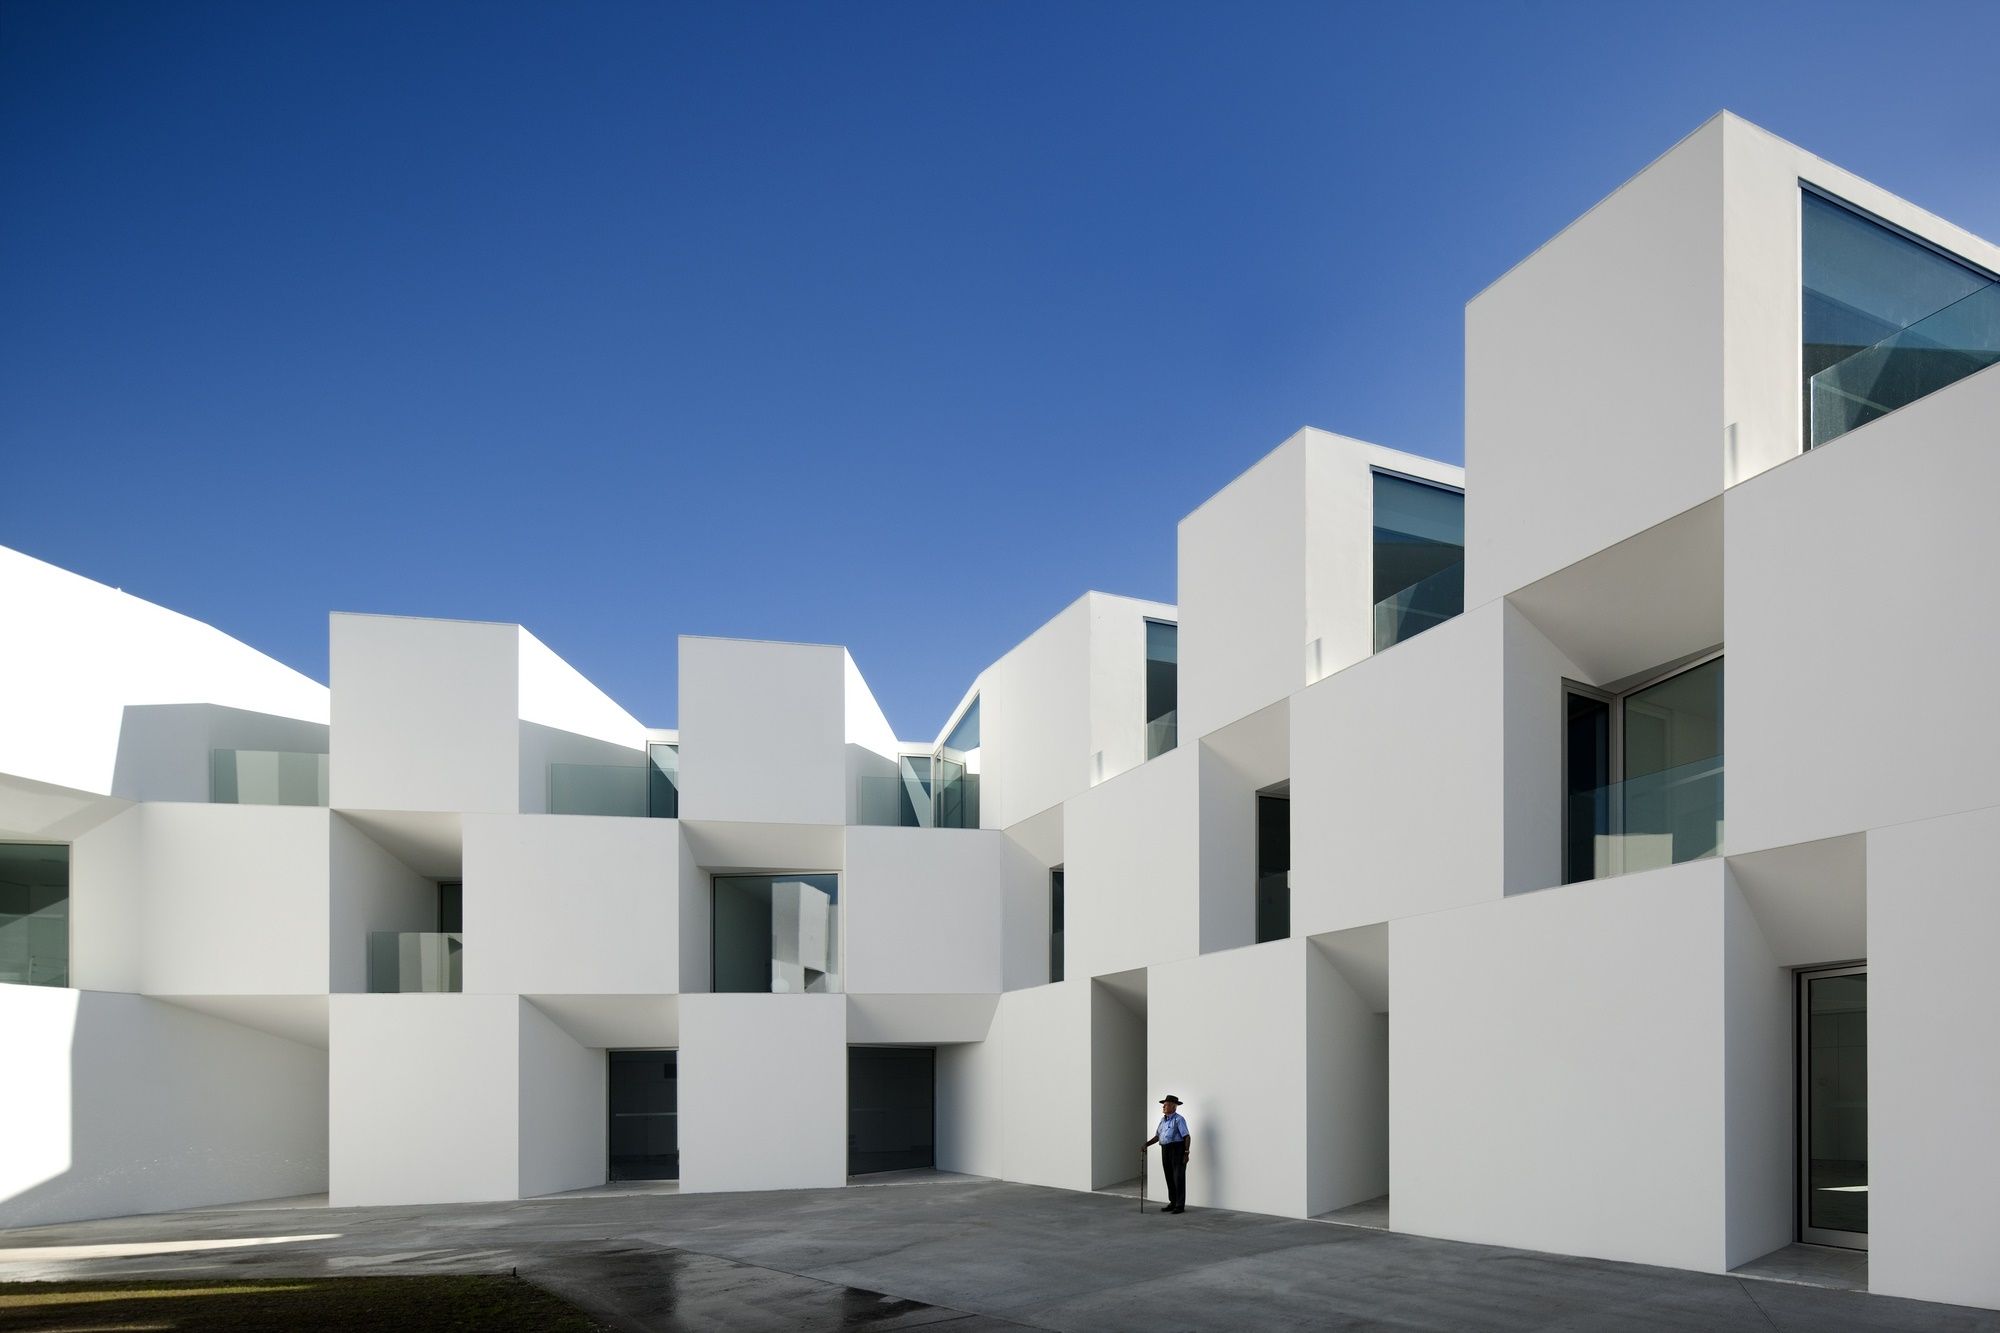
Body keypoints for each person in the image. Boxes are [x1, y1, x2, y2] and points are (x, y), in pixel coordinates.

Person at [1142, 1095, 1191, 1214]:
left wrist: (1186, 1153)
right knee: (1169, 1176)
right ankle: (1173, 1202)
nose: (1163, 1107)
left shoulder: (1179, 1119)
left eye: (1166, 1105)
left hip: (1177, 1150)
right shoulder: (1162, 1120)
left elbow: (1186, 1136)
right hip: (1165, 1150)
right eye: (1163, 1105)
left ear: (1174, 1107)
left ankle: (1179, 1205)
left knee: (1178, 1177)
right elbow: (1158, 1136)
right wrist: (1146, 1144)